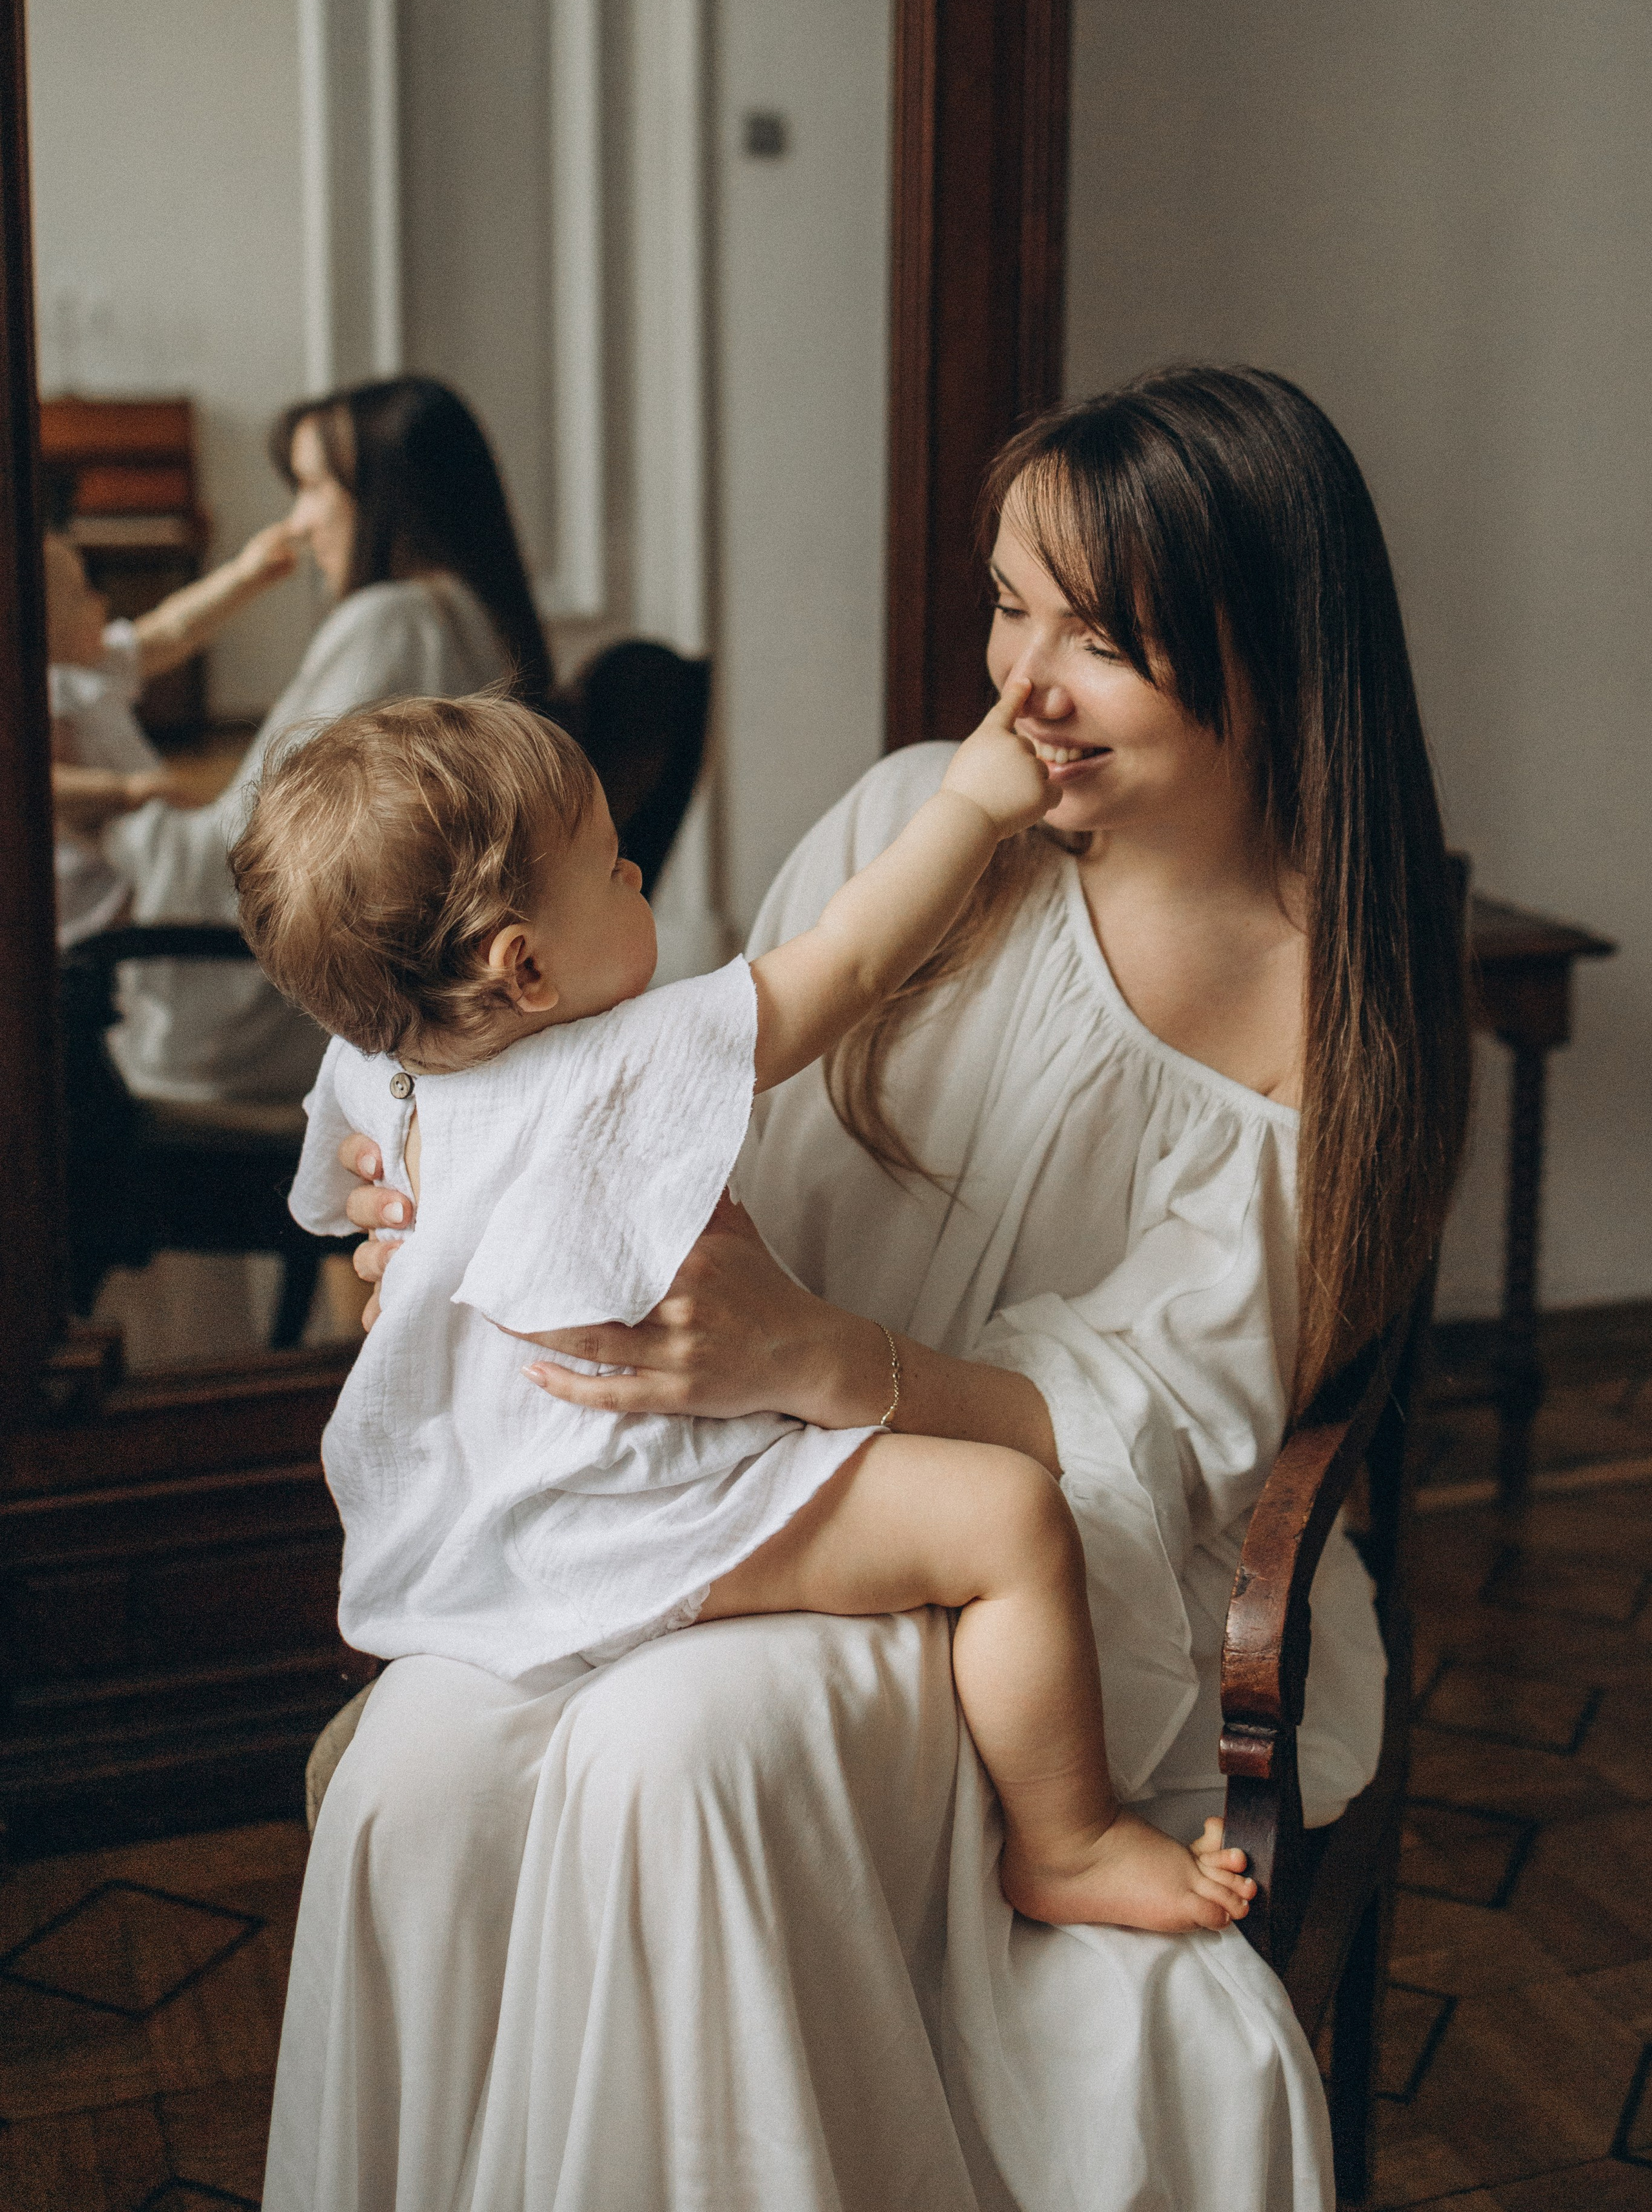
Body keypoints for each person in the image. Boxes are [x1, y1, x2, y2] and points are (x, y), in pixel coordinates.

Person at [266, 367, 1469, 2212]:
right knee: (414, 1773)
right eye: (1009, 604)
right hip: (712, 1466)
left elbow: (1167, 1442)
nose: (1023, 684)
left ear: (1272, 658)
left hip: (1051, 1560)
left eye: (1102, 636)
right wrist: (464, 1224)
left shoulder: (1329, 1012)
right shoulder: (924, 825)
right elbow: (651, 1099)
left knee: (676, 1760)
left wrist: (840, 1361)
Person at [233, 685, 1258, 1935]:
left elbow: (355, 1215)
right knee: (1006, 1518)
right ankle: (1069, 1840)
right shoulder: (624, 1056)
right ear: (525, 967)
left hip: (476, 1527)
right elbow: (854, 957)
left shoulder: (369, 1068)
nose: (634, 874)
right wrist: (971, 806)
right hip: (637, 1505)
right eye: (610, 869)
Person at [101, 374, 554, 1103]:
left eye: (314, 487)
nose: (300, 522)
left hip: (319, 1023)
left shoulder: (396, 622)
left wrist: (113, 823)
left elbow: (259, 856)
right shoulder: (466, 614)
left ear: (389, 496)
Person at [45, 523, 298, 946]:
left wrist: (243, 576)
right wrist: (124, 791)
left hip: (140, 846)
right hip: (98, 880)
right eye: (81, 592)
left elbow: (172, 627)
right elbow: (42, 782)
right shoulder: (45, 690)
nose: (100, 599)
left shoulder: (96, 661)